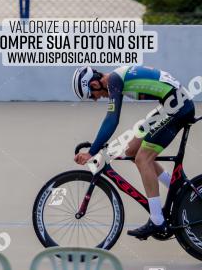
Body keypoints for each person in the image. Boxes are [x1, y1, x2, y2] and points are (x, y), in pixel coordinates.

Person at [71, 65, 195, 239]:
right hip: (172, 103)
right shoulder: (117, 78)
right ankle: (179, 188)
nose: (95, 99)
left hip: (176, 106)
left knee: (143, 159)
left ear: (94, 84)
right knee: (131, 150)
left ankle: (157, 220)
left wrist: (92, 152)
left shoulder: (114, 80)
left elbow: (112, 119)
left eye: (92, 95)